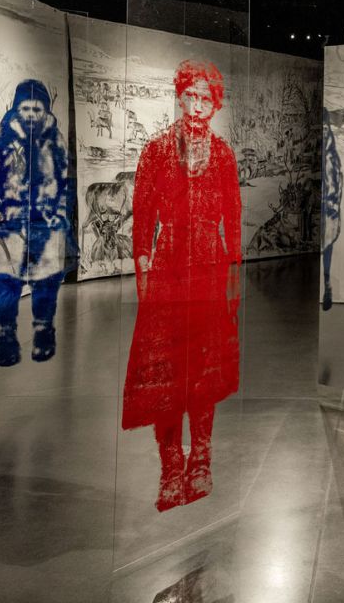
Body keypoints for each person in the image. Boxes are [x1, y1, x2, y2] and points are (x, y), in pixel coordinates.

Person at [122, 60, 242, 512]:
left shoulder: (223, 155)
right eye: (189, 96)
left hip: (210, 269)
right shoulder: (156, 150)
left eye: (204, 99)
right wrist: (143, 269)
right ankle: (171, 466)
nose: (195, 106)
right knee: (167, 372)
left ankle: (202, 459)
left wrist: (234, 274)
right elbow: (142, 216)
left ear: (215, 105)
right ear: (179, 97)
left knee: (204, 370)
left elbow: (233, 216)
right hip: (169, 268)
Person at [0, 80, 73, 367]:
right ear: (17, 109)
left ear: (45, 111)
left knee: (46, 281)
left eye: (36, 108)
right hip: (8, 226)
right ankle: (5, 335)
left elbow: (64, 182)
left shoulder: (54, 144)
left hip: (44, 225)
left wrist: (58, 211)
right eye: (26, 108)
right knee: (6, 281)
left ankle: (43, 330)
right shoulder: (3, 142)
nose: (31, 114)